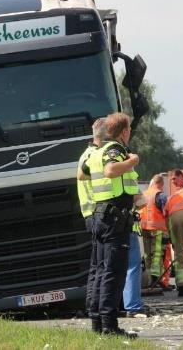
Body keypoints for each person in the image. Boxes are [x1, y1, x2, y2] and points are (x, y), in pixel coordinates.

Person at [78, 112, 140, 338]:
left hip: (101, 215)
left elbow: (82, 175)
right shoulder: (115, 150)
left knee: (100, 270)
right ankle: (109, 326)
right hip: (114, 218)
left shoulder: (95, 152)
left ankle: (97, 322)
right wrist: (132, 161)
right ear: (125, 131)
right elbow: (110, 170)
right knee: (113, 272)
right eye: (129, 129)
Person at [76, 118, 107, 319]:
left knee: (96, 266)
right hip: (98, 214)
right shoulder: (97, 156)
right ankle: (97, 310)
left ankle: (92, 309)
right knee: (102, 267)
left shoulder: (85, 155)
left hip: (91, 215)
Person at [140, 174, 169, 289]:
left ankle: (147, 280)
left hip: (144, 228)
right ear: (160, 184)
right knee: (157, 254)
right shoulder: (160, 195)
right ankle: (155, 278)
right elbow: (166, 212)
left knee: (147, 254)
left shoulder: (144, 194)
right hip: (156, 229)